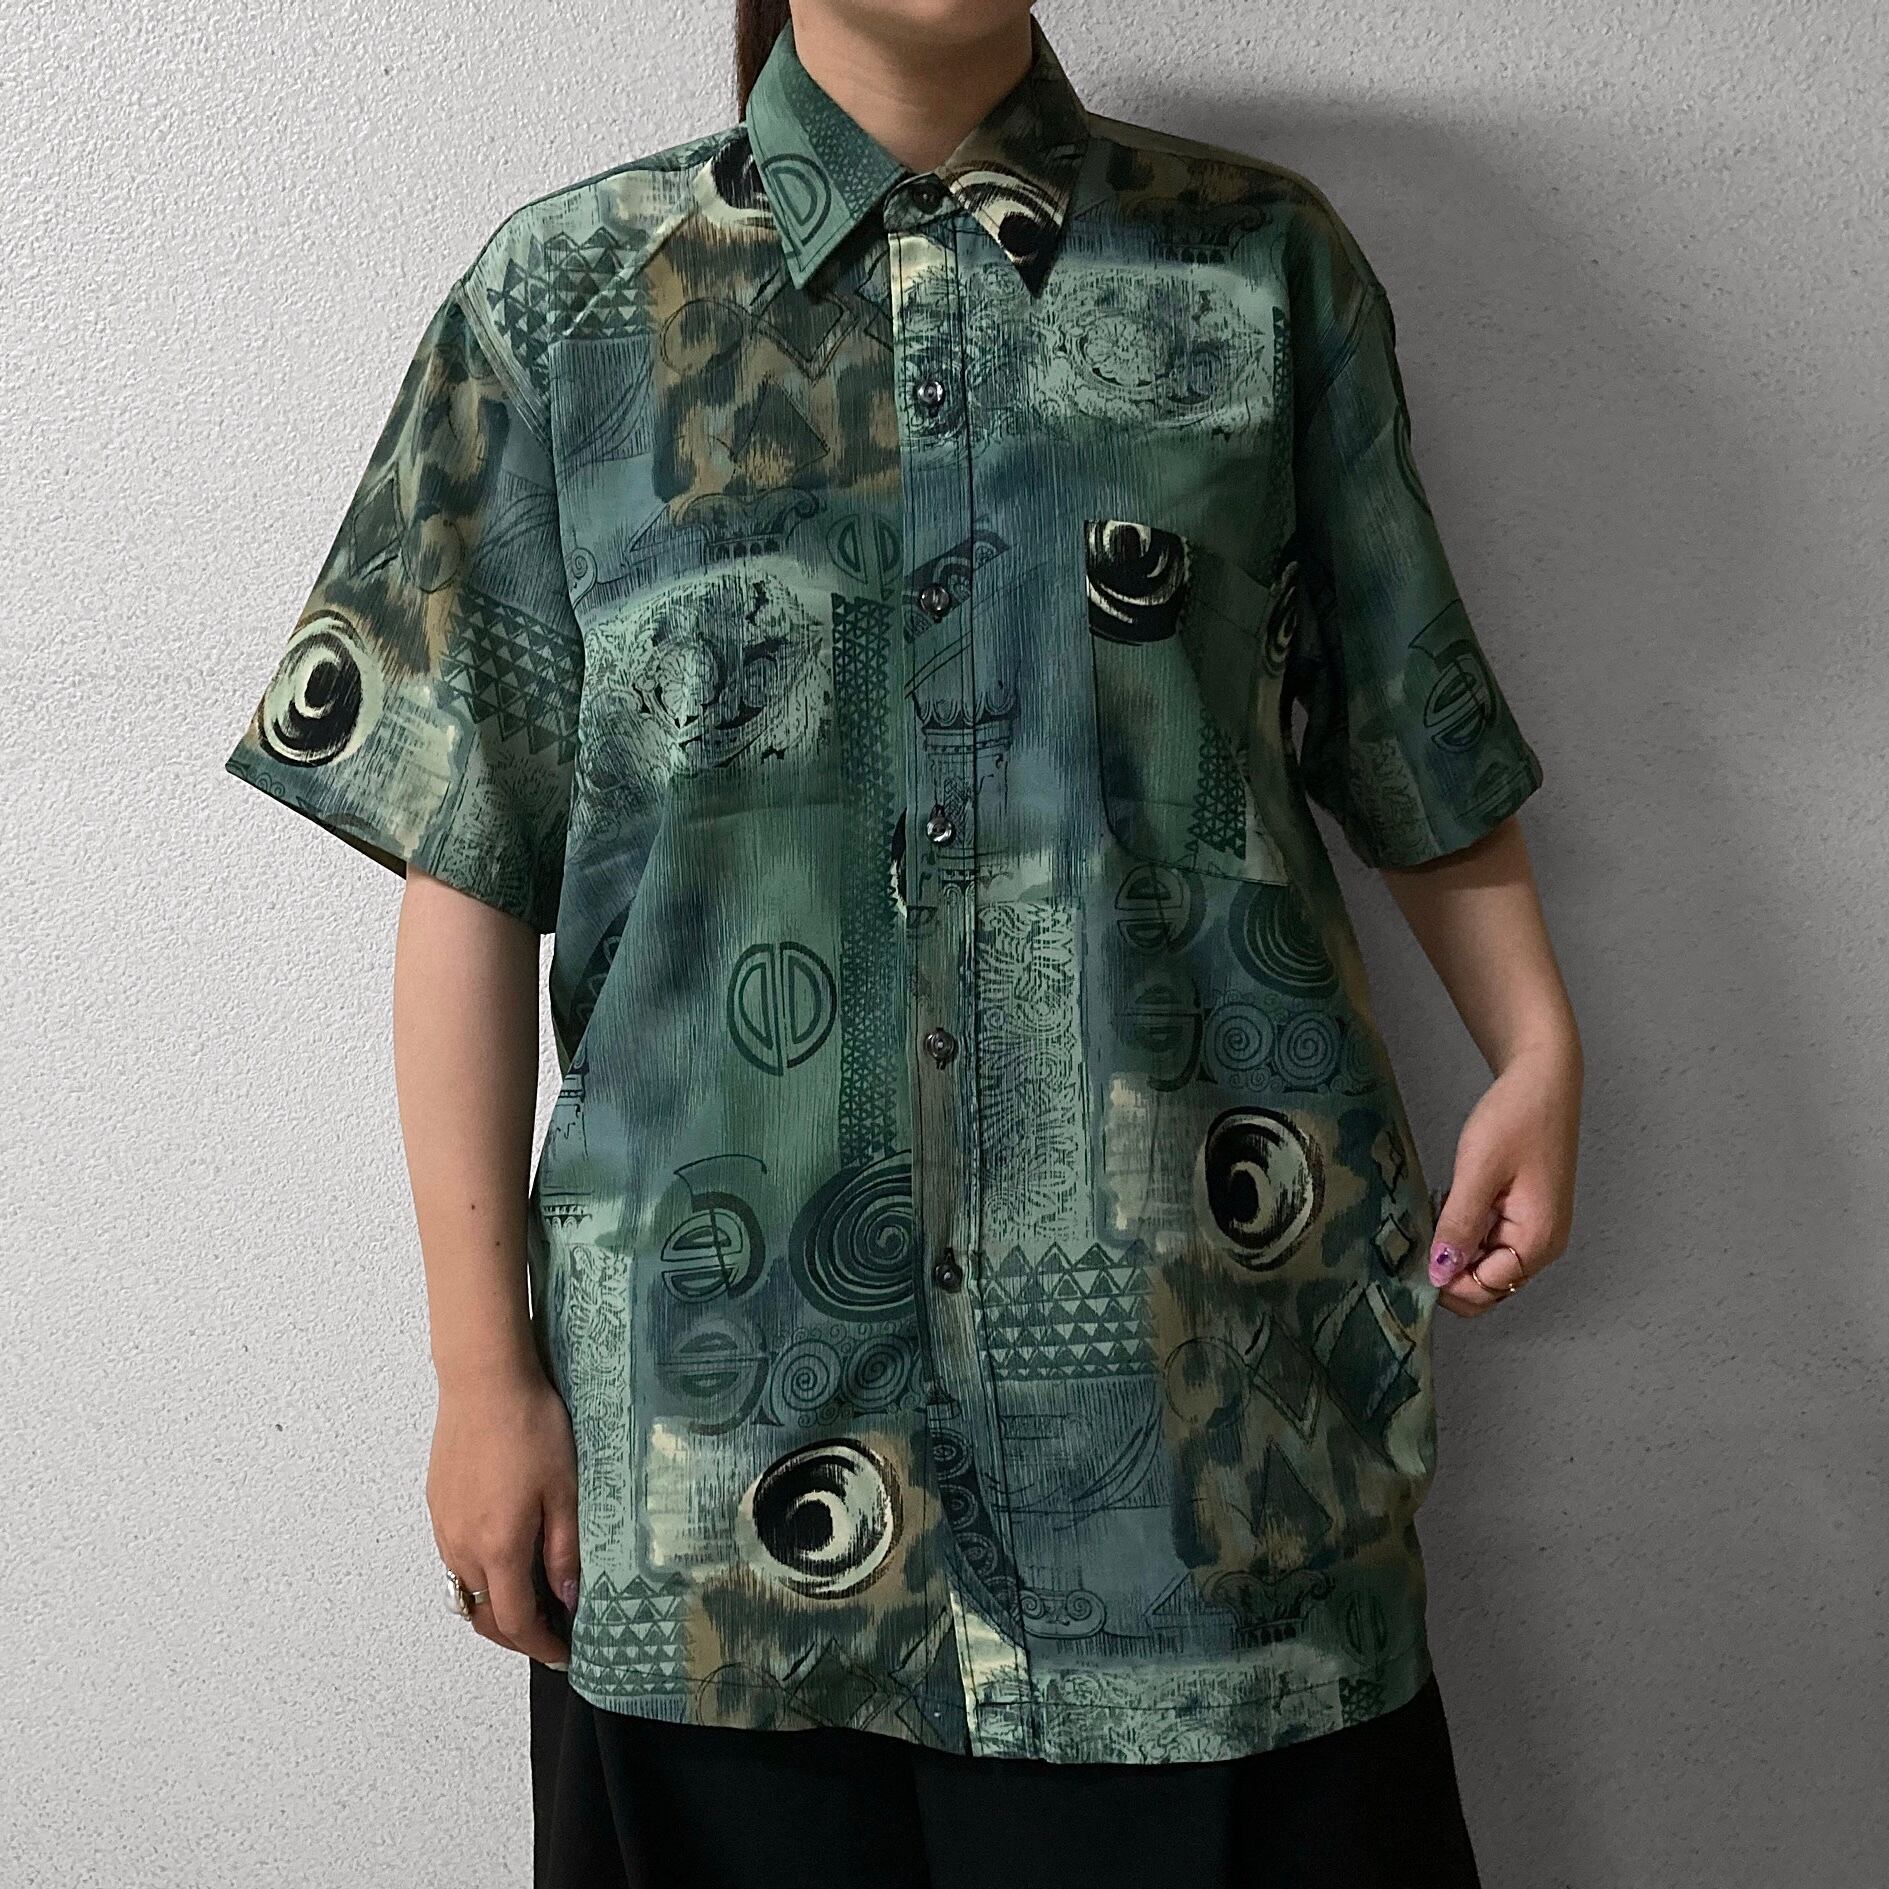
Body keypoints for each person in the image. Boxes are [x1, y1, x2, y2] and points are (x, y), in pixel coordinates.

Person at [220, 0, 1584, 1882]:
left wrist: (1534, 1043)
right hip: (708, 1473)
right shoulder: (568, 305)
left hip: (1199, 1446)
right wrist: (480, 1374)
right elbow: (468, 852)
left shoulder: (1264, 269)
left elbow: (1403, 724)